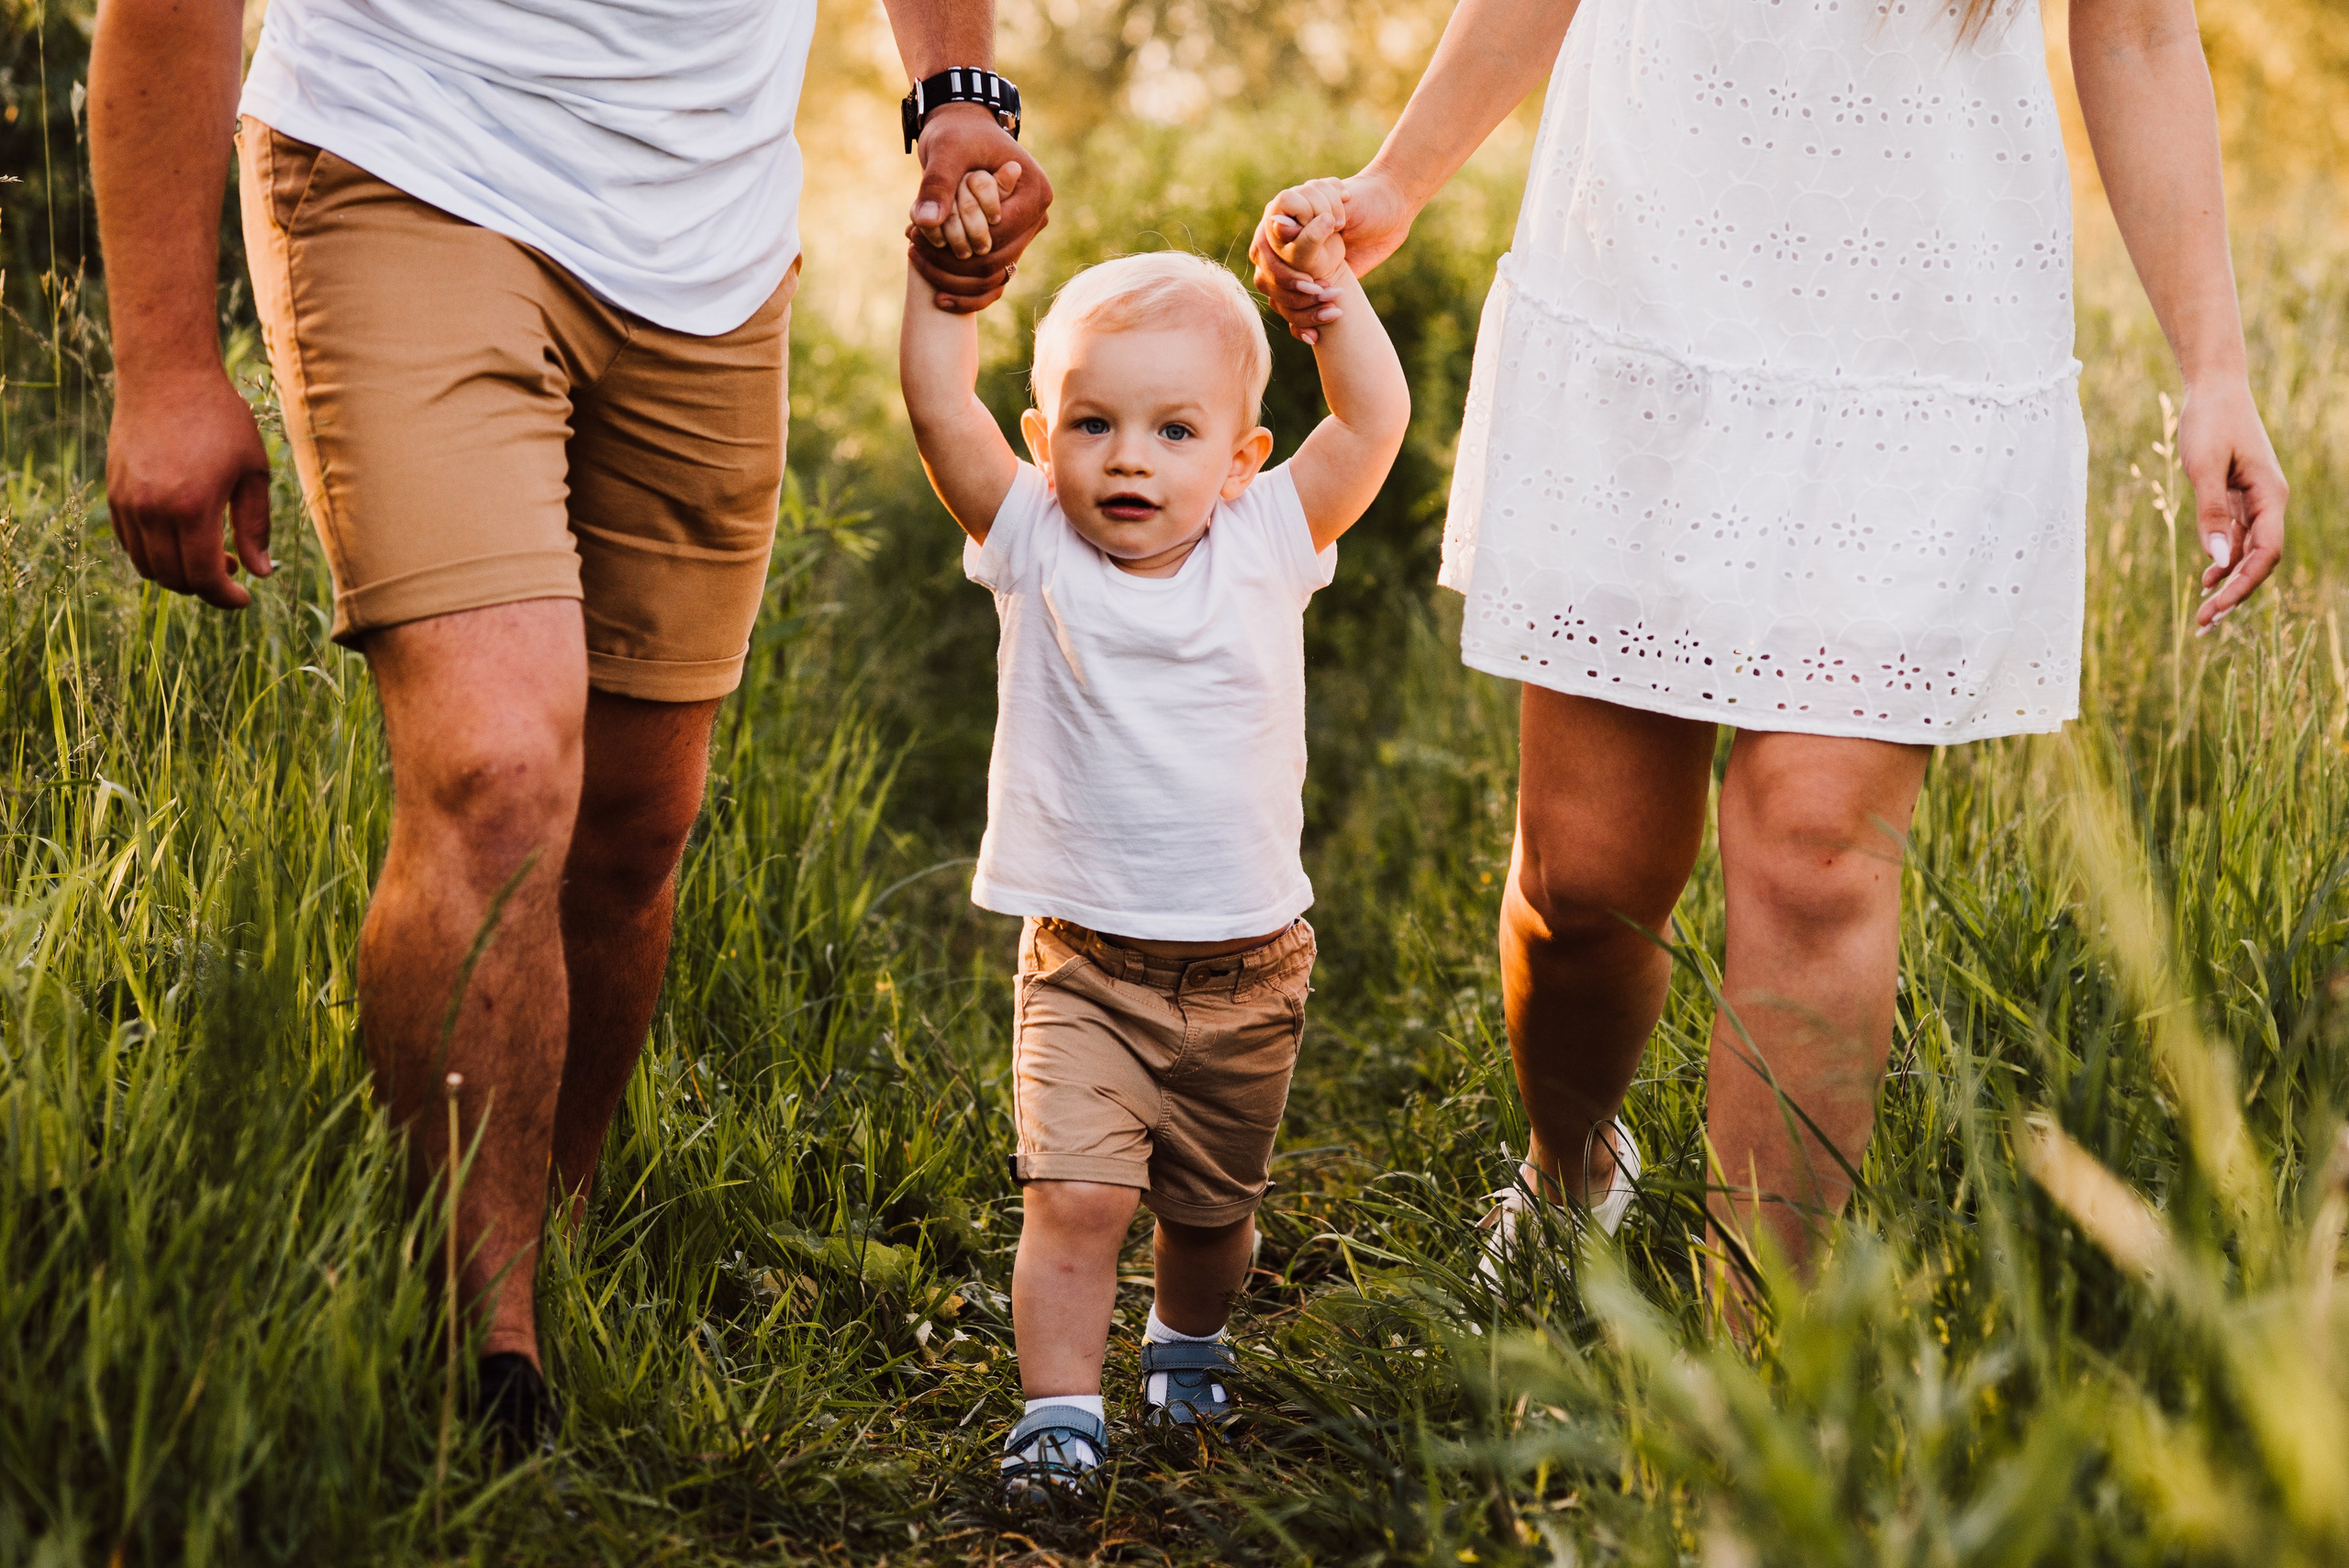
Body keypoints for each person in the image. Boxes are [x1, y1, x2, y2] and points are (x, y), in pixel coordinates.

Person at [88, 0, 1051, 1451]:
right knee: (498, 770)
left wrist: (957, 93)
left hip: (706, 234)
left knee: (631, 827)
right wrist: (161, 359)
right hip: (402, 156)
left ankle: (544, 1232)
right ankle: (483, 1354)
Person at [1252, 0, 2287, 1281]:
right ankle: (1569, 1167)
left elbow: (2136, 35)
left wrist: (2216, 370)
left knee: (1819, 853)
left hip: (1921, 340)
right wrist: (1397, 180)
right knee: (1588, 886)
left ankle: (1759, 1385)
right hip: (1647, 286)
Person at [900, 178, 1408, 1486]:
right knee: (1077, 1198)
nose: (1129, 456)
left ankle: (1187, 1337)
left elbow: (1374, 417)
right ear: (1045, 436)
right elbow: (940, 409)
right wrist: (941, 286)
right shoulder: (1032, 538)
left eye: (1175, 429)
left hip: (1249, 970)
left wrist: (1332, 299)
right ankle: (1059, 1414)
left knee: (1210, 1216)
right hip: (1085, 961)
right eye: (1093, 423)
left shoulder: (1268, 536)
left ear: (1239, 457)